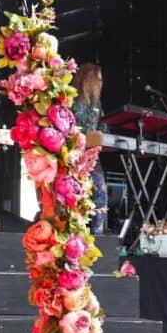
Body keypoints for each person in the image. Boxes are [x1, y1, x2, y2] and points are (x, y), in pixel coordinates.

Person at [71, 62, 107, 234]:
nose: (100, 83)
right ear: (88, 79)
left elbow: (101, 126)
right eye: (97, 79)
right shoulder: (73, 99)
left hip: (91, 156)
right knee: (73, 196)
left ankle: (97, 236)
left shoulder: (97, 104)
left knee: (101, 193)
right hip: (72, 155)